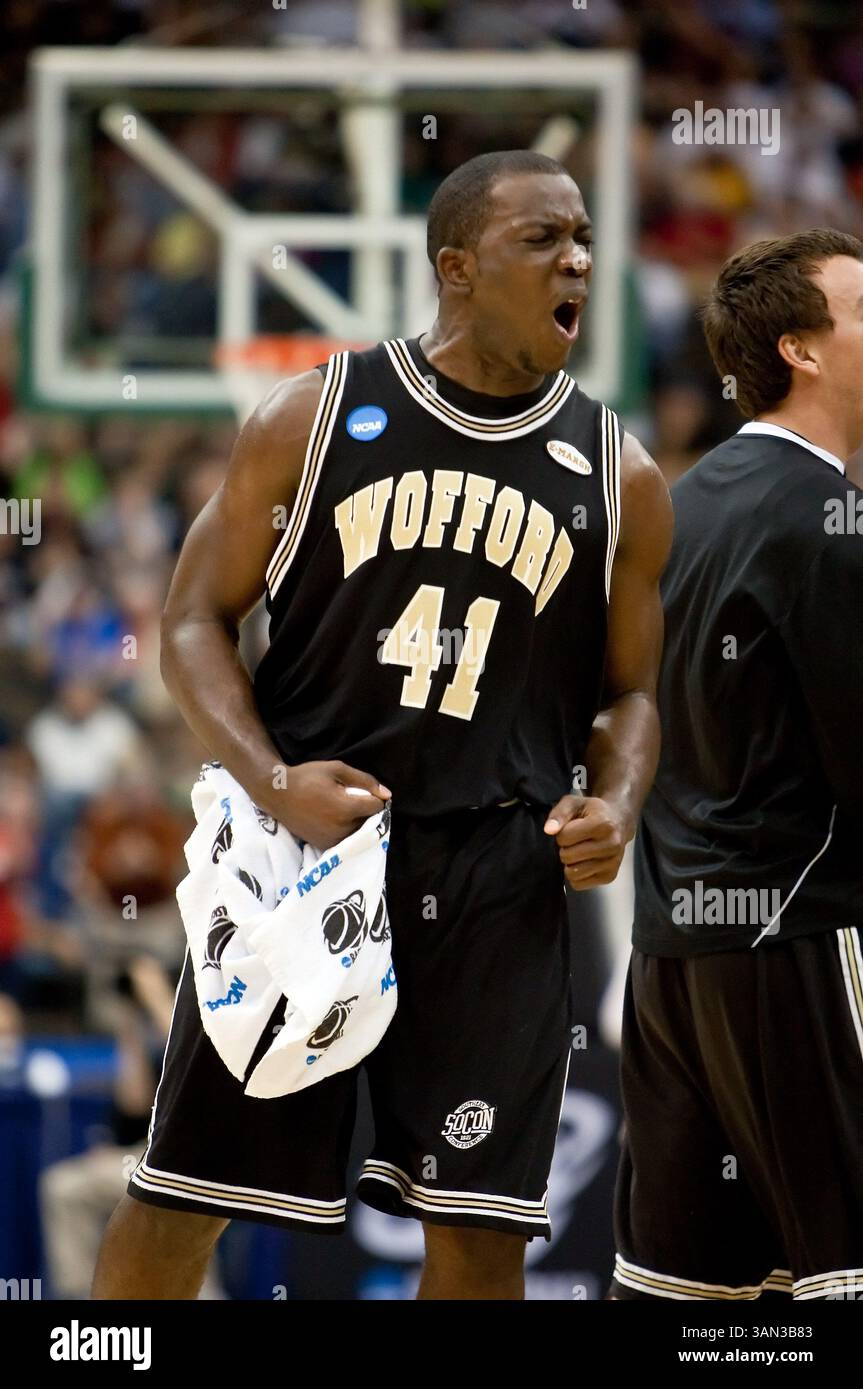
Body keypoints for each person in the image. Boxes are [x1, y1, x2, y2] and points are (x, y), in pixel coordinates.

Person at [93, 149, 672, 1301]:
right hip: (309, 855)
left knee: (477, 1236)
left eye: (583, 239)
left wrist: (614, 799)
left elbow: (631, 694)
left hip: (498, 878)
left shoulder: (621, 473)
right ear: (454, 268)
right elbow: (192, 621)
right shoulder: (312, 416)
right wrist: (269, 782)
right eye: (541, 240)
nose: (578, 261)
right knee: (187, 1195)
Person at [611, 228, 863, 1302]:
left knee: (685, 1296)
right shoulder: (827, 519)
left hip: (672, 955)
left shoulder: (681, 502)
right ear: (802, 350)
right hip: (801, 940)